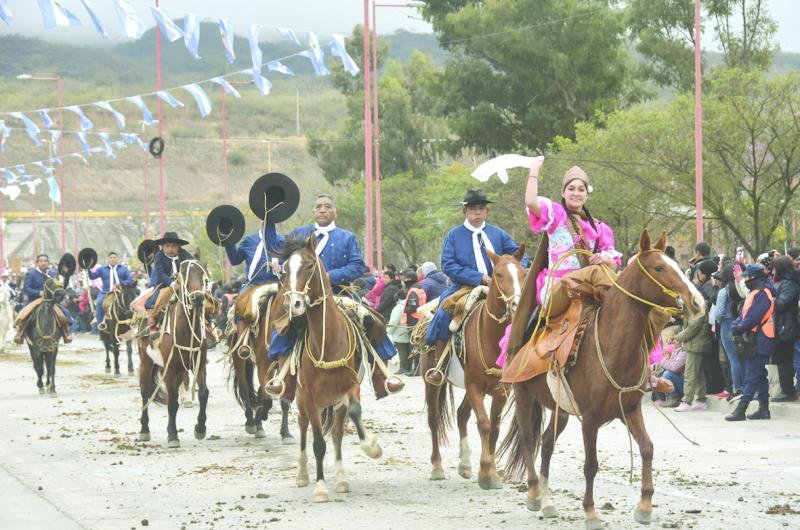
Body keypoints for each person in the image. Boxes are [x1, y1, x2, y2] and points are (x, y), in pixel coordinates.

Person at [265, 193, 403, 399]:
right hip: (305, 296)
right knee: (285, 325)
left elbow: (357, 265)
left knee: (369, 319)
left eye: (327, 206)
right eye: (319, 206)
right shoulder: (299, 234)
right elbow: (274, 245)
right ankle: (285, 378)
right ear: (313, 211)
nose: (322, 209)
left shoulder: (346, 237)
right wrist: (268, 219)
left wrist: (328, 276)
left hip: (338, 293)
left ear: (334, 212)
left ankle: (381, 375)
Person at [424, 188, 523, 385]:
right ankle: (440, 365)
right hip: (464, 288)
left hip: (501, 289)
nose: (477, 213)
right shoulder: (454, 235)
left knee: (525, 312)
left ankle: (526, 361)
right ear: (465, 212)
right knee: (444, 314)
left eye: (481, 208)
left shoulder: (498, 234)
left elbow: (519, 254)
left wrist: (515, 269)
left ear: (487, 211)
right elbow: (449, 265)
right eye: (472, 209)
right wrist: (479, 277)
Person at [726, 264, 776, 421]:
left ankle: (741, 410)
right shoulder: (755, 292)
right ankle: (764, 410)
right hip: (755, 338)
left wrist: (738, 328)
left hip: (761, 339)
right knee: (759, 375)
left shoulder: (763, 293)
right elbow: (744, 314)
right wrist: (737, 326)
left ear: (757, 278)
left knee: (752, 375)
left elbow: (753, 317)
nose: (746, 280)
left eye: (748, 277)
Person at [224, 222, 281, 355]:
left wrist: (282, 267)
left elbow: (290, 262)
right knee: (240, 301)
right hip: (254, 284)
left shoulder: (282, 240)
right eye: (264, 220)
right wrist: (228, 241)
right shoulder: (249, 240)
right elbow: (235, 259)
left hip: (277, 282)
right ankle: (242, 341)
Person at [14, 254, 73, 344]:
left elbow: (60, 286)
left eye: (45, 261)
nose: (43, 263)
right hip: (34, 300)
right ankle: (19, 333)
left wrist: (65, 280)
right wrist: (38, 292)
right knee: (23, 314)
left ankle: (67, 333)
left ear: (48, 263)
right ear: (37, 263)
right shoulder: (31, 273)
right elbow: (26, 288)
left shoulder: (53, 273)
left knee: (64, 313)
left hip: (51, 301)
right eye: (41, 261)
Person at [144, 232, 193, 340]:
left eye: (174, 246)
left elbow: (193, 265)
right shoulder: (159, 256)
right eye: (167, 246)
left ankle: (207, 325)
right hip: (164, 285)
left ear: (178, 247)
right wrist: (172, 284)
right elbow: (161, 274)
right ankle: (152, 326)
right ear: (162, 247)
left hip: (184, 285)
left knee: (199, 299)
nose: (170, 249)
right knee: (150, 302)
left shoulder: (184, 254)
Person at [710, 264, 744, 400]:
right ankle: (746, 386)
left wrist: (718, 321)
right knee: (743, 358)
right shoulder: (741, 289)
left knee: (732, 359)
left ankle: (737, 388)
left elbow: (719, 313)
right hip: (741, 323)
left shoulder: (724, 291)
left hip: (726, 324)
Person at [769, 255, 799, 402]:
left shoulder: (789, 284)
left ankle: (789, 391)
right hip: (780, 326)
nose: (773, 271)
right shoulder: (781, 282)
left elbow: (782, 303)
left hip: (786, 327)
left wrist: (770, 299)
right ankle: (786, 389)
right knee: (782, 360)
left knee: (786, 361)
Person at [88, 252, 133, 332]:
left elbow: (130, 280)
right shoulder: (102, 269)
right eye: (111, 257)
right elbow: (92, 276)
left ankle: (135, 321)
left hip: (122, 292)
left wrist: (121, 284)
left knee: (134, 300)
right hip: (106, 293)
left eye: (114, 257)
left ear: (117, 259)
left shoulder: (124, 269)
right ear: (108, 259)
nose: (113, 259)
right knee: (99, 302)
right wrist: (88, 268)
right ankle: (101, 323)